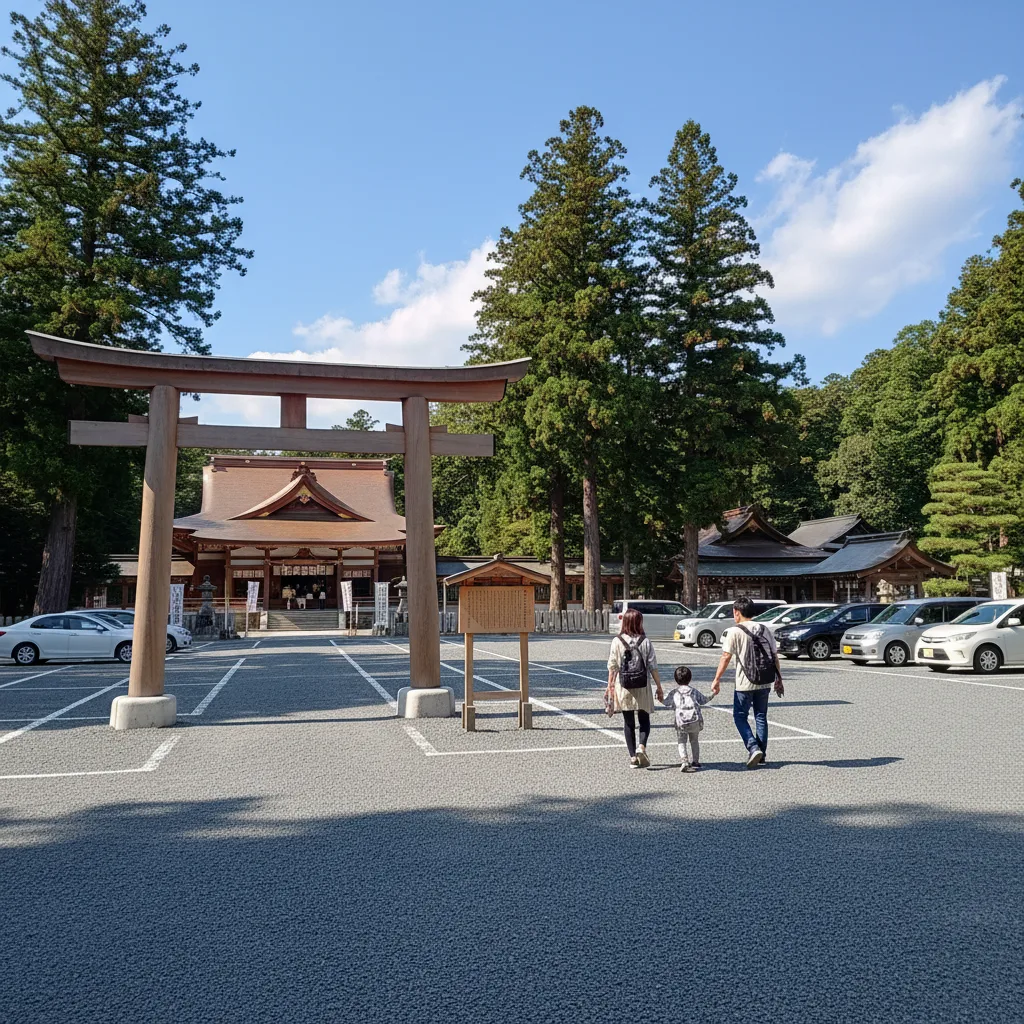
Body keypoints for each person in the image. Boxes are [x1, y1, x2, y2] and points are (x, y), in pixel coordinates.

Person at [710, 596, 784, 768]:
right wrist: (779, 678)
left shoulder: (734, 631)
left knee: (739, 716)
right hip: (765, 680)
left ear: (736, 612)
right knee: (760, 716)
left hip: (745, 681)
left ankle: (752, 746)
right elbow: (774, 656)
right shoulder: (765, 629)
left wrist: (717, 679)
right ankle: (762, 753)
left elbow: (726, 656)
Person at [606, 608, 664, 768]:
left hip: (624, 685)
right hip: (642, 685)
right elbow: (653, 666)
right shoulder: (645, 641)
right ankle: (641, 747)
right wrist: (659, 686)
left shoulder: (617, 641)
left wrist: (609, 686)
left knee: (628, 722)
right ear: (639, 622)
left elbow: (612, 666)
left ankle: (632, 757)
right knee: (644, 719)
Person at [661, 665, 712, 773]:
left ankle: (684, 761)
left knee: (681, 741)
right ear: (690, 678)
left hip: (681, 723)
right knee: (694, 740)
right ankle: (696, 761)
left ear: (676, 679)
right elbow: (703, 700)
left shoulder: (674, 693)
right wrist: (713, 694)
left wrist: (659, 697)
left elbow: (666, 702)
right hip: (695, 720)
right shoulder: (693, 691)